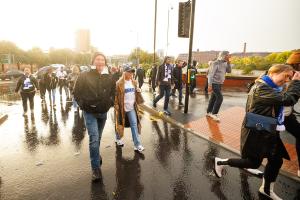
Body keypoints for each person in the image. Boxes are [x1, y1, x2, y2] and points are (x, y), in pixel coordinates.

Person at [213, 64, 300, 200]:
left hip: (268, 130)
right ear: (274, 72)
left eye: (290, 78)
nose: (287, 80)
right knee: (253, 163)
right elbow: (287, 100)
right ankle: (220, 162)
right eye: (286, 76)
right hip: (257, 131)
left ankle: (266, 189)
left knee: (276, 160)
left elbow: (281, 100)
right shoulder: (261, 88)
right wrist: (296, 82)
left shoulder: (272, 86)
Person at [73, 52, 115, 182]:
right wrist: (83, 105)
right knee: (94, 139)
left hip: (103, 112)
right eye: (98, 59)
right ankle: (96, 169)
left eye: (102, 60)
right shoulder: (84, 75)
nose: (100, 62)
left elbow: (113, 92)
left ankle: (96, 155)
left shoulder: (109, 77)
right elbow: (76, 92)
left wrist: (110, 103)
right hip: (89, 112)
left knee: (98, 138)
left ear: (105, 62)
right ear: (93, 61)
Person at [114, 65, 145, 152]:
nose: (131, 73)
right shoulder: (119, 83)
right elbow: (115, 96)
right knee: (120, 123)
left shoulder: (134, 82)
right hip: (121, 108)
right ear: (124, 72)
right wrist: (116, 105)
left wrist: (138, 90)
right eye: (129, 72)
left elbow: (136, 91)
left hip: (131, 108)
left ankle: (137, 144)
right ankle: (118, 138)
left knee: (134, 124)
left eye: (132, 72)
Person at [284, 50, 300, 177]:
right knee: (268, 141)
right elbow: (288, 99)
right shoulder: (285, 74)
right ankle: (249, 162)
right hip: (277, 114)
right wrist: (294, 82)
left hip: (288, 114)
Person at [206, 51, 231, 122]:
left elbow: (229, 71)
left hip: (220, 84)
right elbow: (210, 75)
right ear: (223, 55)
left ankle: (208, 112)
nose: (229, 57)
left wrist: (229, 63)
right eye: (228, 55)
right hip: (214, 83)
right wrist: (209, 85)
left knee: (213, 98)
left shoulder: (226, 63)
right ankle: (215, 114)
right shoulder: (215, 63)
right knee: (220, 98)